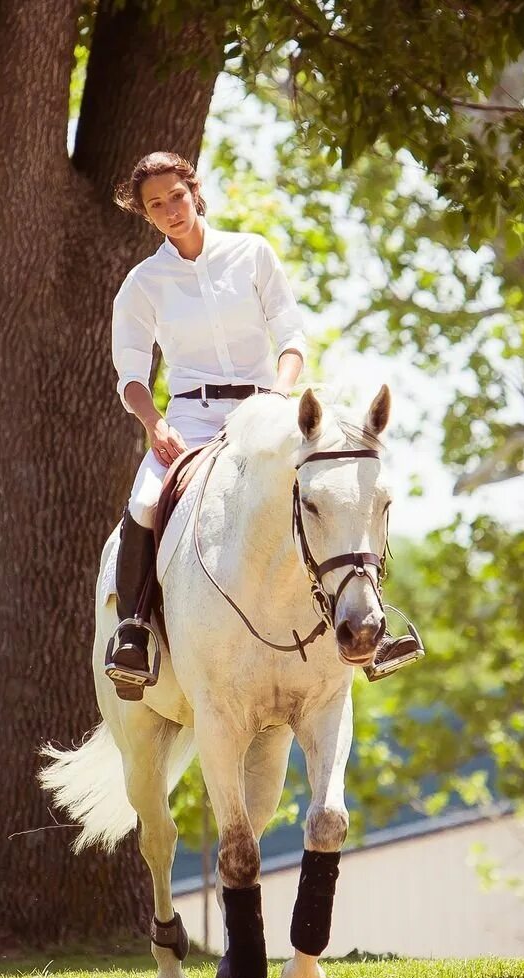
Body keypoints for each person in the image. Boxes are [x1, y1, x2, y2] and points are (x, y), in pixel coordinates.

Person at [107, 150, 419, 700]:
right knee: (145, 500)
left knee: (334, 489)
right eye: (155, 206)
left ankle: (377, 624)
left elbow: (291, 334)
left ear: (194, 190)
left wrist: (279, 391)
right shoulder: (143, 283)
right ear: (145, 214)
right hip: (191, 418)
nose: (170, 211)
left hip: (267, 407)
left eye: (176, 197)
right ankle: (133, 630)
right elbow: (130, 374)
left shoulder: (251, 253)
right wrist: (155, 424)